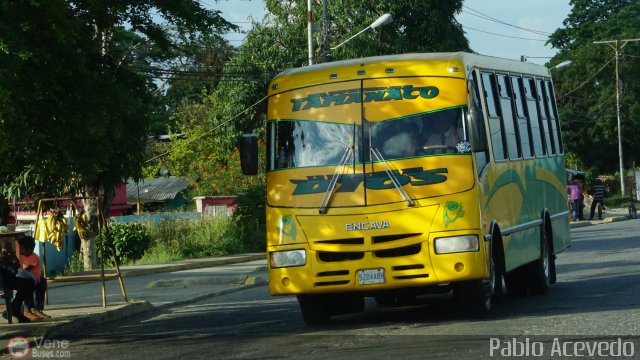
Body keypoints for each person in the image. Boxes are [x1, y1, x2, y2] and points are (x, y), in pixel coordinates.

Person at [18, 236, 50, 320]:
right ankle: (27, 310)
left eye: (22, 248)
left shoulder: (35, 257)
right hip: (27, 280)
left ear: (29, 250)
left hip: (35, 279)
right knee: (27, 285)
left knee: (42, 283)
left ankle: (38, 309)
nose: (20, 250)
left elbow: (27, 270)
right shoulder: (20, 256)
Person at [0, 248, 36, 323]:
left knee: (25, 284)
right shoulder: (2, 260)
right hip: (6, 282)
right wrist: (13, 261)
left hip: (7, 281)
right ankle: (13, 310)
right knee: (29, 283)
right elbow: (14, 271)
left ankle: (13, 310)